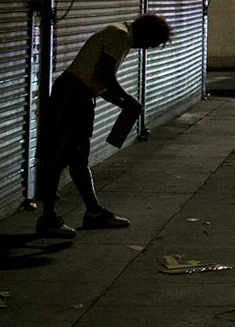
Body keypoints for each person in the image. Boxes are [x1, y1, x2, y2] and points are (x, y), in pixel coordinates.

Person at [35, 13, 173, 238]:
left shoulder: (119, 34)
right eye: (150, 43)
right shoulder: (120, 36)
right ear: (146, 33)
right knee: (58, 157)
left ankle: (94, 212)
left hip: (79, 97)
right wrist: (127, 98)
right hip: (71, 98)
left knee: (78, 158)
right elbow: (105, 75)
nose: (145, 48)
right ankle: (48, 218)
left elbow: (100, 81)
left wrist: (124, 104)